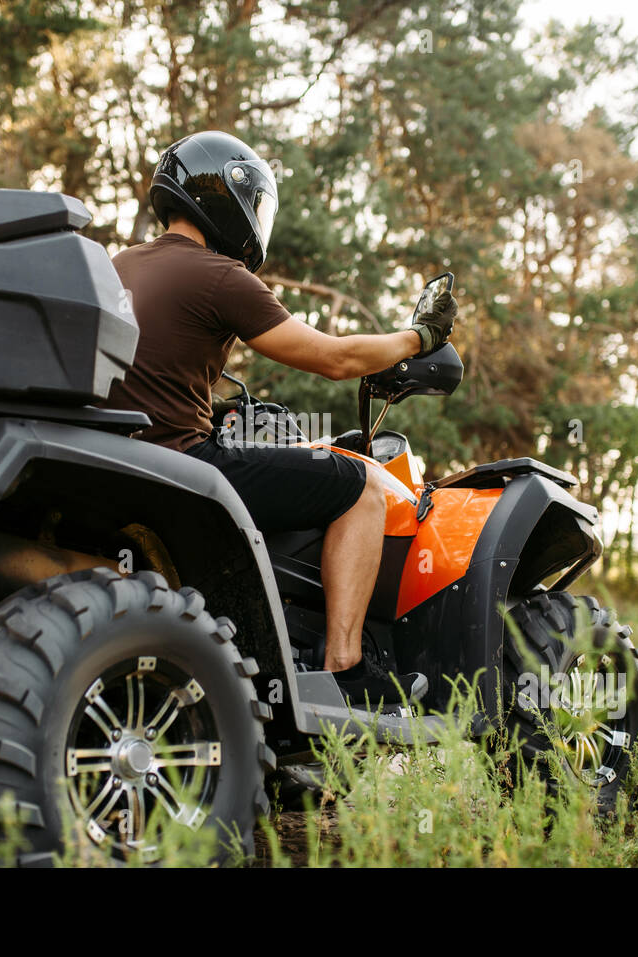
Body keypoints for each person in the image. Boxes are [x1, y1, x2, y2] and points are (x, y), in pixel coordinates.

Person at [102, 130, 456, 707]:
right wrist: (419, 336)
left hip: (123, 462)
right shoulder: (218, 274)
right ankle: (346, 669)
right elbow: (334, 358)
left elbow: (147, 370)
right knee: (362, 487)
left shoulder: (118, 265)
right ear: (230, 196)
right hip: (185, 464)